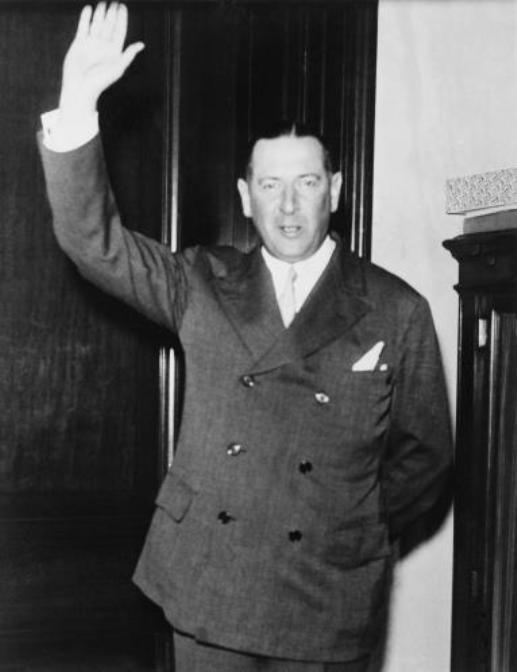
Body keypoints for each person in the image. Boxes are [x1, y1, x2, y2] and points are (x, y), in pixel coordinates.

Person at [38, 3, 452, 671]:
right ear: (244, 196)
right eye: (270, 185)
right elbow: (94, 243)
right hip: (212, 582)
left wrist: (349, 522)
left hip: (326, 593)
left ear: (334, 190)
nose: (288, 205)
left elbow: (425, 458)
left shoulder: (395, 309)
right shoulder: (200, 281)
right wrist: (78, 106)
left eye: (306, 183)